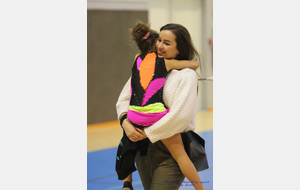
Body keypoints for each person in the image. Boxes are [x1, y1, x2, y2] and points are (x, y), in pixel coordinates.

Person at [117, 23, 205, 190]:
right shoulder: (146, 65)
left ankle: (127, 182)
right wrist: (126, 124)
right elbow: (123, 101)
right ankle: (127, 182)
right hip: (142, 149)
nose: (159, 45)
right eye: (159, 40)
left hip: (166, 149)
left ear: (179, 49)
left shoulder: (186, 75)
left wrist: (147, 133)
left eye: (167, 43)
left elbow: (180, 118)